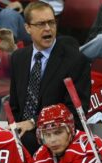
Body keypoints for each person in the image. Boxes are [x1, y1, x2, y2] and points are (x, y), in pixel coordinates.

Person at [9, 1, 91, 155]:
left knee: (26, 141)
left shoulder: (76, 61)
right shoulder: (18, 58)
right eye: (41, 24)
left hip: (55, 134)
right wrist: (15, 128)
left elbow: (75, 112)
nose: (48, 28)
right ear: (28, 28)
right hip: (22, 133)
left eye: (51, 22)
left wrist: (33, 122)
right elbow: (15, 105)